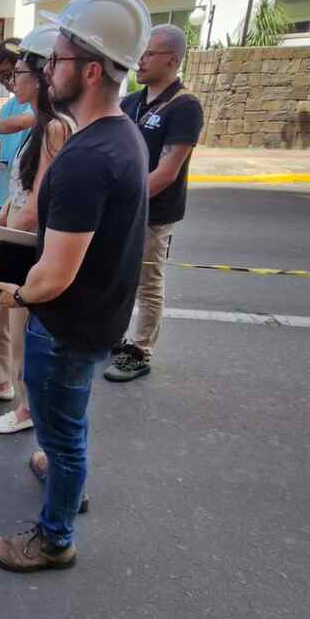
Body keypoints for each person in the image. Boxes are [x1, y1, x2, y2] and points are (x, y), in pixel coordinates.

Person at [0, 0, 151, 573]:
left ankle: (55, 537)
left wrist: (15, 291)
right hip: (95, 317)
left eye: (54, 59)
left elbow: (53, 276)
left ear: (89, 69)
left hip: (68, 324)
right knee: (67, 421)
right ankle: (61, 472)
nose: (45, 70)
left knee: (62, 423)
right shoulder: (120, 133)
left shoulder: (86, 157)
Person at [0, 26, 75, 436]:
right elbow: (20, 186)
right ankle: (0, 384)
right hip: (13, 235)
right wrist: (0, 221)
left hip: (29, 247)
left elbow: (39, 203)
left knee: (19, 324)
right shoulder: (38, 120)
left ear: (42, 75)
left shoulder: (56, 127)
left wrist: (3, 239)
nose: (14, 80)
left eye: (19, 72)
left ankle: (27, 410)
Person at [108, 24, 205, 382]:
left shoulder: (184, 106)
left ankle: (140, 349)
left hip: (154, 214)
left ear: (173, 60)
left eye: (149, 53)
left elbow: (167, 171)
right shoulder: (131, 102)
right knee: (118, 278)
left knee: (148, 282)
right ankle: (114, 337)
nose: (141, 60)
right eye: (141, 53)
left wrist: (122, 202)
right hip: (121, 210)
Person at [0, 40, 31, 213]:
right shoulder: (7, 108)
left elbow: (22, 122)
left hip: (23, 200)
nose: (6, 83)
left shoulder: (38, 105)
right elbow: (5, 150)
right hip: (3, 195)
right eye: (0, 79)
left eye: (8, 75)